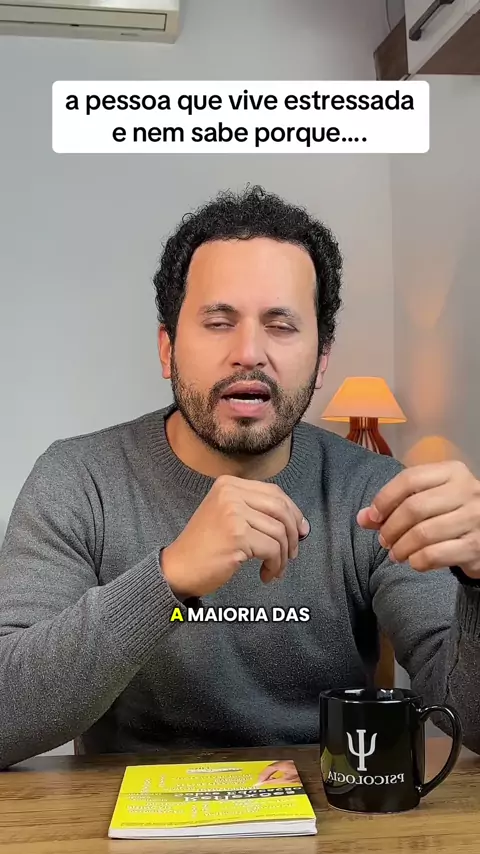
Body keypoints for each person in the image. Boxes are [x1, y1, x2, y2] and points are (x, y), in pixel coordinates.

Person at [1, 186, 480, 771]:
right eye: (218, 321)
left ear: (322, 360)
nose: (249, 352)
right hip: (125, 813)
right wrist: (168, 578)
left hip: (330, 805)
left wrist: (479, 582)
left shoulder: (372, 493)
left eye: (281, 325)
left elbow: (469, 720)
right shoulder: (79, 481)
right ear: (167, 349)